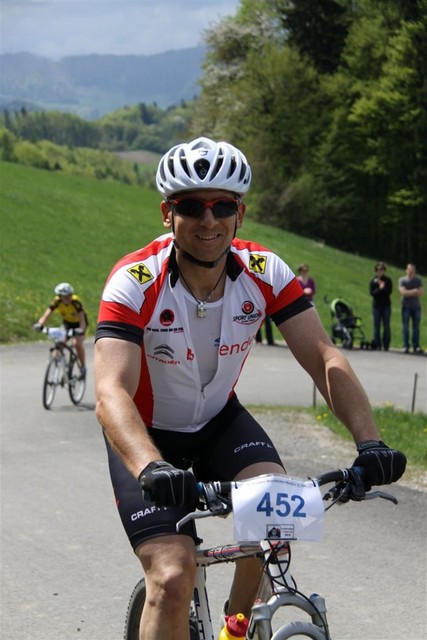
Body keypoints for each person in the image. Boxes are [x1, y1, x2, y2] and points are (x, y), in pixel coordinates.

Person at [94, 137, 406, 640]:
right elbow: (111, 392)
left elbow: (324, 358)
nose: (208, 220)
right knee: (172, 577)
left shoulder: (264, 272)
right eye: (191, 207)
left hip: (219, 423)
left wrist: (370, 442)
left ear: (239, 213)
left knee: (274, 529)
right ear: (167, 213)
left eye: (222, 206)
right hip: (148, 438)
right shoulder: (135, 280)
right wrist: (150, 465)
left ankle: (233, 633)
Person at [33, 282, 88, 373]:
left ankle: (83, 367)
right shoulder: (56, 301)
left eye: (70, 295)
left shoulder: (75, 302)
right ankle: (57, 363)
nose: (68, 298)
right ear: (60, 297)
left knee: (77, 344)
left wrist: (81, 330)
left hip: (79, 324)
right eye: (65, 297)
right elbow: (47, 314)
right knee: (60, 342)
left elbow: (82, 318)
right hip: (67, 323)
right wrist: (40, 324)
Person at [398, 263, 424, 354]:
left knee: (416, 328)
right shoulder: (402, 280)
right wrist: (414, 291)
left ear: (415, 271)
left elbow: (421, 293)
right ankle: (406, 346)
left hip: (416, 307)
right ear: (406, 270)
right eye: (409, 269)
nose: (411, 271)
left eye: (413, 270)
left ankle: (416, 346)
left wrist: (409, 292)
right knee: (405, 327)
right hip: (406, 307)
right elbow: (403, 292)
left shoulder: (418, 280)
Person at [369, 261, 393, 351]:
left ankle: (386, 344)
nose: (380, 271)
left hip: (386, 305)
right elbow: (372, 293)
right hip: (376, 306)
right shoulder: (373, 281)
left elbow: (389, 292)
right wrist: (379, 288)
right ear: (376, 271)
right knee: (377, 325)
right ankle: (377, 344)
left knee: (386, 325)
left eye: (381, 269)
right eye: (378, 269)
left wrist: (383, 288)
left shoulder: (388, 280)